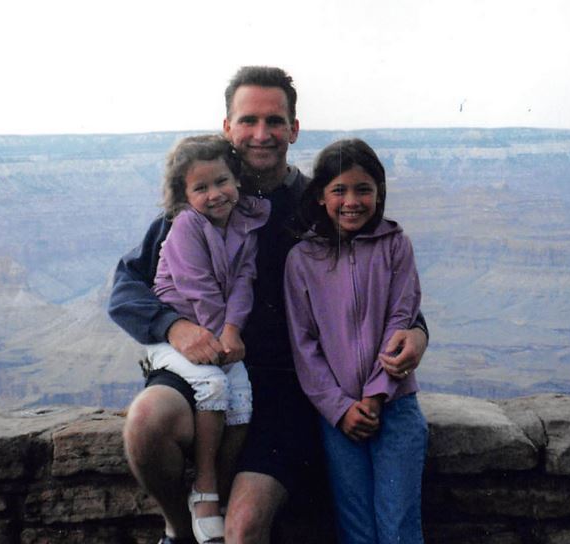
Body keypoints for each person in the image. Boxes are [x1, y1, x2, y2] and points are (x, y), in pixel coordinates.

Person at [108, 66, 429, 544]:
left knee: (244, 529)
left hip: (283, 394)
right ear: (227, 128)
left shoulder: (312, 206)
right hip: (201, 375)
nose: (262, 134)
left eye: (275, 121)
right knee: (146, 421)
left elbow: (372, 280)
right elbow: (126, 289)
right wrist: (175, 327)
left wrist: (417, 330)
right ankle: (179, 528)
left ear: (294, 129)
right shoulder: (198, 206)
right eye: (248, 120)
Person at [284, 139, 429, 543]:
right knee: (356, 530)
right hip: (338, 418)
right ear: (320, 196)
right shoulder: (302, 260)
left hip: (395, 409)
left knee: (399, 527)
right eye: (339, 190)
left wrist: (376, 395)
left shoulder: (395, 245)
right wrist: (339, 408)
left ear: (379, 192)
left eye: (363, 189)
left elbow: (402, 319)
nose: (352, 201)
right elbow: (304, 344)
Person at [146, 134, 269, 543]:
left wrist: (233, 331)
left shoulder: (245, 222)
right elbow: (199, 290)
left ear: (237, 179)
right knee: (215, 384)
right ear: (184, 196)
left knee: (243, 393)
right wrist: (221, 343)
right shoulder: (185, 228)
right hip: (180, 333)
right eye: (201, 188)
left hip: (217, 331)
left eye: (222, 182)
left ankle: (221, 480)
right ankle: (204, 487)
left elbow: (243, 283)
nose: (215, 195)